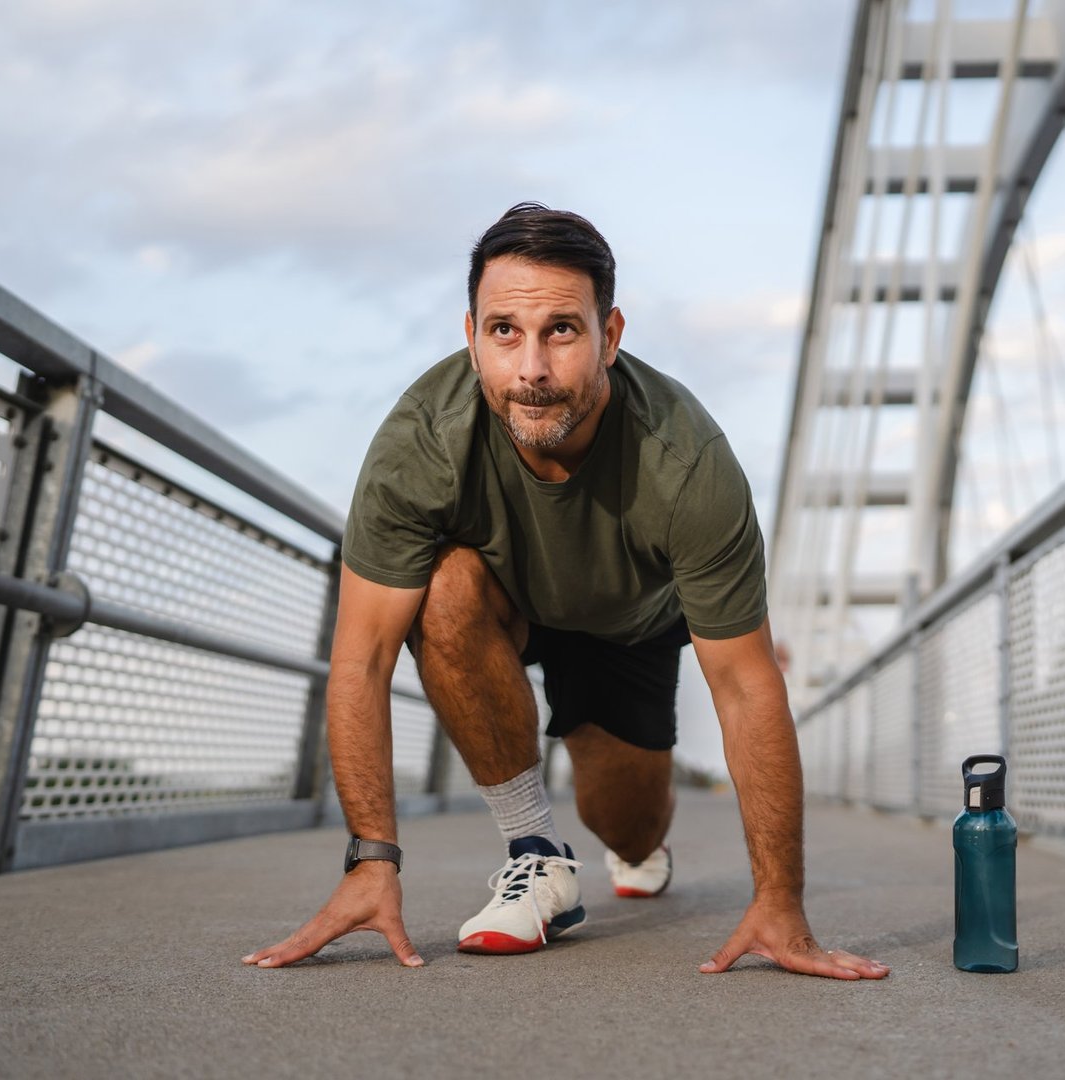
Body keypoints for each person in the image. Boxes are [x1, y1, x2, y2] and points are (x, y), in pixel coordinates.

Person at [242, 204, 890, 981]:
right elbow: (361, 660)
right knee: (443, 587)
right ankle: (536, 855)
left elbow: (749, 690)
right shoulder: (420, 442)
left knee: (627, 824)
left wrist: (781, 901)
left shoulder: (687, 462)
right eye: (504, 331)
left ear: (609, 337)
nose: (532, 370)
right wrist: (370, 861)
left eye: (562, 331)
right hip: (504, 601)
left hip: (628, 627)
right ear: (472, 334)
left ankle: (641, 847)